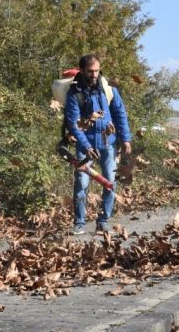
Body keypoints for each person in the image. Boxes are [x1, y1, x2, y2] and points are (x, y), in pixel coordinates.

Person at [64, 54, 132, 235]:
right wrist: (86, 146)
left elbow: (120, 114)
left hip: (108, 144)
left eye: (96, 71)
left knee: (110, 182)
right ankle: (79, 222)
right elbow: (74, 124)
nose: (94, 74)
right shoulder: (74, 94)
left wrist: (125, 139)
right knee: (81, 183)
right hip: (84, 148)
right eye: (90, 71)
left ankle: (103, 220)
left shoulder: (108, 90)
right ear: (82, 71)